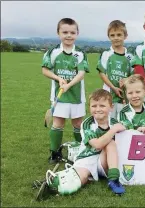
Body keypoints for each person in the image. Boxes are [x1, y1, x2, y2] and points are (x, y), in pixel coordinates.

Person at [41, 18, 89, 164]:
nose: (69, 35)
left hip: (76, 96)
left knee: (77, 124)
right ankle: (54, 153)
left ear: (77, 34)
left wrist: (69, 84)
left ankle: (82, 152)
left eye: (72, 32)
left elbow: (81, 73)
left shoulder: (80, 53)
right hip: (58, 96)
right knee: (58, 124)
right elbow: (45, 70)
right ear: (58, 33)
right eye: (65, 32)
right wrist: (58, 78)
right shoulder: (53, 52)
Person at [73, 89, 126, 195]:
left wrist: (141, 129)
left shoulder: (115, 123)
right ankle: (52, 184)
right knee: (80, 179)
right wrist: (113, 130)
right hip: (87, 158)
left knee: (110, 143)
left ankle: (114, 180)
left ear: (111, 107)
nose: (98, 109)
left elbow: (129, 134)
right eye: (94, 106)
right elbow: (97, 145)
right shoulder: (87, 123)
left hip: (105, 160)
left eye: (102, 106)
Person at [97, 20, 134, 118]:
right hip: (108, 94)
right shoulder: (106, 54)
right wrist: (113, 87)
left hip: (124, 96)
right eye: (112, 35)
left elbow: (133, 75)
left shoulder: (130, 56)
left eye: (119, 35)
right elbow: (102, 73)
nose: (116, 38)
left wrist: (126, 82)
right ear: (108, 36)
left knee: (123, 122)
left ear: (125, 36)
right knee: (108, 122)